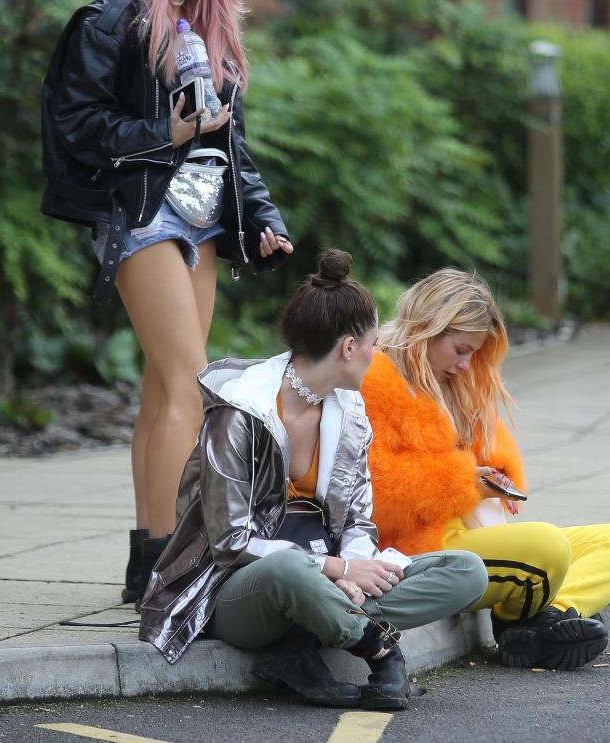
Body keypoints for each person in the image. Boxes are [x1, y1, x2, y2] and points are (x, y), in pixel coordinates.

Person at [41, 0, 293, 603]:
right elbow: (75, 127)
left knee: (164, 390)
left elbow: (230, 147)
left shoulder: (214, 30)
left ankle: (148, 565)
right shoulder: (109, 22)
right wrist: (166, 130)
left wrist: (264, 216)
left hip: (203, 218)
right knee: (189, 383)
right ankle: (177, 564)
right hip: (141, 212)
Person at [138, 250, 488, 710]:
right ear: (348, 348)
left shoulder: (349, 409)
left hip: (328, 574)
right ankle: (378, 649)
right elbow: (229, 542)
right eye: (371, 342)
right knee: (290, 571)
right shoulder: (239, 411)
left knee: (466, 571)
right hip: (241, 586)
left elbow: (359, 519)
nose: (376, 350)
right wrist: (331, 569)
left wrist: (355, 571)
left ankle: (309, 635)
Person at [360, 268, 610, 671]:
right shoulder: (374, 379)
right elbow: (372, 493)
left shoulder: (455, 384)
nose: (465, 364)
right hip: (422, 551)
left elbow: (491, 450)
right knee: (546, 547)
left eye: (473, 353)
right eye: (460, 349)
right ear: (426, 328)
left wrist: (495, 475)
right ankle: (531, 618)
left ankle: (546, 619)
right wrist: (465, 483)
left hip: (477, 536)